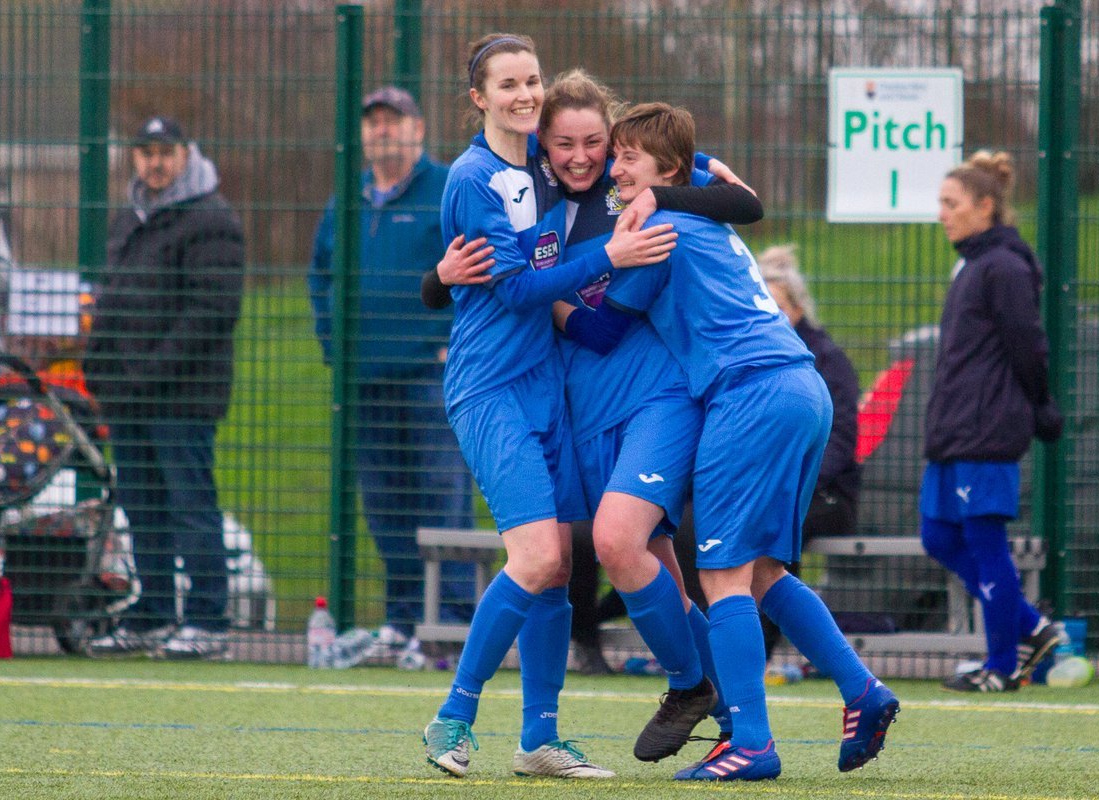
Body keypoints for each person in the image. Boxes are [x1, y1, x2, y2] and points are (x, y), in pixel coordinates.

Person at [431, 69, 763, 762]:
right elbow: (490, 274)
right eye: (563, 144)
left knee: (617, 551)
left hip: (651, 401)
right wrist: (438, 281)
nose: (581, 157)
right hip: (567, 404)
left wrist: (660, 196)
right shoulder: (537, 190)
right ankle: (720, 713)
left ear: (618, 144)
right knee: (597, 562)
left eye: (596, 144)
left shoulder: (639, 180)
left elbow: (741, 200)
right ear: (542, 146)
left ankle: (709, 699)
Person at [559, 103, 899, 780]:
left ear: (669, 171)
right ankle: (864, 691)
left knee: (720, 577)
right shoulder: (701, 209)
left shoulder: (659, 229)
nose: (615, 167)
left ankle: (751, 743)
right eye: (614, 153)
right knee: (765, 570)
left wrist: (535, 293)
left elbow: (601, 333)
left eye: (630, 156)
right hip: (798, 389)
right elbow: (735, 191)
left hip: (751, 395)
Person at [421, 34, 676, 781]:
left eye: (531, 80)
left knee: (561, 565)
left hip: (544, 389)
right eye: (508, 85)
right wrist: (611, 258)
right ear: (478, 98)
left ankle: (539, 738)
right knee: (534, 557)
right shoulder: (474, 177)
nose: (525, 94)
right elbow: (518, 290)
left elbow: (609, 174)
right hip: (490, 389)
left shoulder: (537, 164)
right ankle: (453, 717)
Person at [307, 85, 476, 645]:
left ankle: (450, 622)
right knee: (384, 506)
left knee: (441, 499)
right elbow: (320, 276)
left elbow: (476, 267)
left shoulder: (448, 188)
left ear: (418, 129)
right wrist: (334, 345)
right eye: (373, 120)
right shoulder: (346, 198)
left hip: (432, 375)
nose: (382, 129)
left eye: (394, 120)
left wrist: (456, 341)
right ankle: (402, 621)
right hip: (363, 379)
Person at [83, 116, 244, 660]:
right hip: (130, 396)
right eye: (145, 151)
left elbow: (212, 312)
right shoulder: (130, 218)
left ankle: (207, 618)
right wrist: (99, 366)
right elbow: (111, 300)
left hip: (183, 398)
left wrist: (146, 372)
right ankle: (153, 613)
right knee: (143, 507)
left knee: (190, 504)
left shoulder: (211, 218)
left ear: (185, 154)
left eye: (165, 152)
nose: (155, 162)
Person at [922, 150, 1065, 692]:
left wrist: (1042, 407)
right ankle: (1033, 627)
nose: (942, 213)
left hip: (985, 430)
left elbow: (1028, 346)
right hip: (954, 429)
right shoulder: (973, 263)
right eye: (940, 202)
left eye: (951, 203)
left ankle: (1002, 667)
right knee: (937, 537)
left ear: (985, 206)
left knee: (985, 544)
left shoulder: (1005, 265)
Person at [756, 245, 863, 658]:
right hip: (771, 488)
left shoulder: (828, 361)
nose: (771, 315)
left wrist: (786, 480)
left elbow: (841, 444)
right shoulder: (756, 356)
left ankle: (764, 650)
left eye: (779, 306)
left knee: (771, 527)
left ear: (798, 309)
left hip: (825, 494)